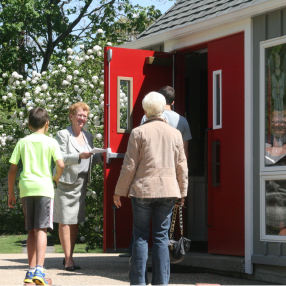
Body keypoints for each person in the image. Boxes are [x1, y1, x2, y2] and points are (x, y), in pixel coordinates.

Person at [113, 92, 188, 285]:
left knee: (140, 236)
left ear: (145, 110)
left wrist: (119, 191)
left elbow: (129, 166)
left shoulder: (138, 133)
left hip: (143, 190)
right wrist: (183, 191)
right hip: (168, 191)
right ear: (163, 108)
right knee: (161, 238)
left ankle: (138, 282)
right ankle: (161, 282)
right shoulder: (175, 133)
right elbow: (182, 165)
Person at [8, 107, 64, 285]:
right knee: (42, 230)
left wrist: (11, 193)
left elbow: (12, 170)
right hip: (44, 189)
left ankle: (30, 271)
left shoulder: (22, 142)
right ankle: (40, 269)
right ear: (47, 124)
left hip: (26, 189)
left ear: (29, 124)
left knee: (31, 230)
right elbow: (61, 164)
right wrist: (56, 177)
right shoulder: (51, 142)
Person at [53, 102, 103, 271]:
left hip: (81, 183)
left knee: (75, 222)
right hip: (66, 184)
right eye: (79, 115)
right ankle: (67, 260)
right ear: (71, 116)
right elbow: (59, 157)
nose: (82, 119)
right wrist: (79, 156)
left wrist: (104, 155)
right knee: (65, 221)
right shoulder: (62, 135)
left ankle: (70, 257)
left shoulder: (88, 136)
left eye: (85, 116)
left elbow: (91, 158)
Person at [141, 86, 192, 158]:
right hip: (172, 165)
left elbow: (140, 144)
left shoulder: (147, 117)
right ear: (173, 103)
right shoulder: (183, 121)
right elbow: (184, 152)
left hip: (151, 163)